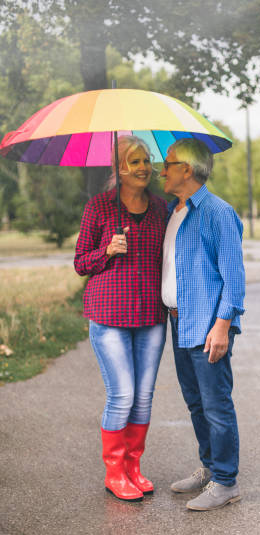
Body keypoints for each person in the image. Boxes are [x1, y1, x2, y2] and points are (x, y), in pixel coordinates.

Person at [74, 135, 167, 502]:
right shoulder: (98, 208)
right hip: (109, 314)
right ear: (119, 169)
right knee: (123, 394)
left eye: (145, 160)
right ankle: (115, 472)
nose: (143, 167)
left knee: (143, 397)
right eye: (134, 161)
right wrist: (107, 250)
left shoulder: (161, 208)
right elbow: (81, 263)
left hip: (150, 315)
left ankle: (133, 467)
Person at [160, 138, 245, 511]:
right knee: (196, 403)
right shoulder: (172, 212)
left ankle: (226, 482)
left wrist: (223, 326)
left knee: (216, 405)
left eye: (168, 163)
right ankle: (210, 467)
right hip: (178, 323)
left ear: (187, 170)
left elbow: (235, 279)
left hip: (208, 326)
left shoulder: (217, 212)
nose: (162, 169)